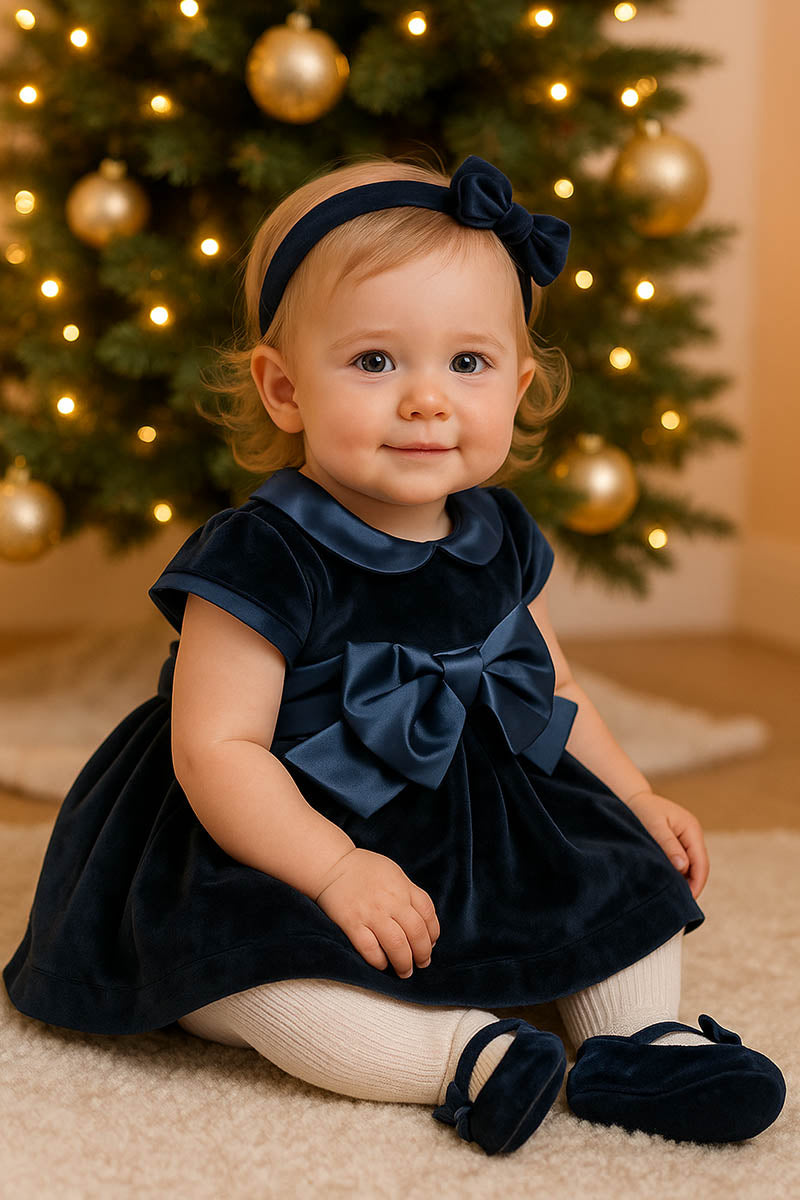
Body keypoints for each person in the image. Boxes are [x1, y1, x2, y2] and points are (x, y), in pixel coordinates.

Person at [3, 154, 785, 1156]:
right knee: (254, 967)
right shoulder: (263, 555)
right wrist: (333, 872)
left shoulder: (495, 533)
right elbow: (216, 753)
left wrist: (633, 797)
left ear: (520, 382)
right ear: (283, 389)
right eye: (375, 362)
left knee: (616, 879)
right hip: (279, 822)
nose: (426, 400)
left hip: (469, 815)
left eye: (467, 364)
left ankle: (638, 1044)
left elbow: (553, 686)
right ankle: (459, 1058)